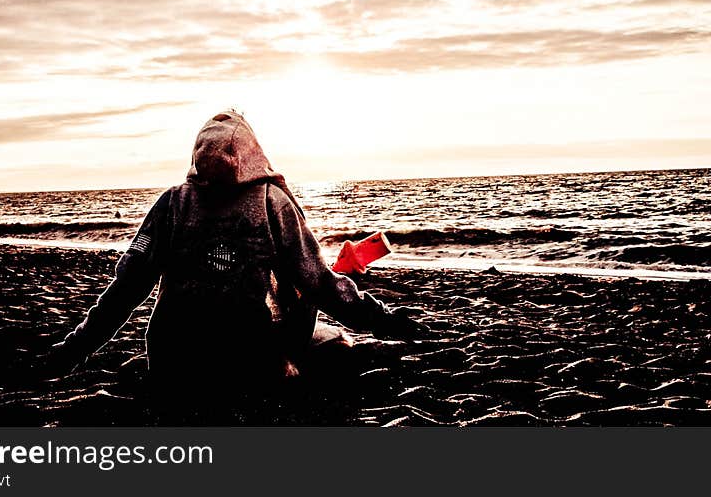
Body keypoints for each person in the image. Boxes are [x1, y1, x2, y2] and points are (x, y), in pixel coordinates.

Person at [48, 110, 427, 390]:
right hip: (254, 365)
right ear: (254, 153)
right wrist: (387, 320)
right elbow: (320, 285)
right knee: (336, 345)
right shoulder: (272, 201)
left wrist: (74, 349)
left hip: (174, 364)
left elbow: (127, 288)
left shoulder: (172, 203)